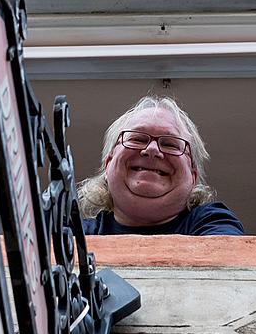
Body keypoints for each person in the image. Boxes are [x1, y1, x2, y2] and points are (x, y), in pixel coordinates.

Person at [78, 95, 244, 236]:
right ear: (108, 164)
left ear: (193, 177)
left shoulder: (213, 223)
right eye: (137, 139)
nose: (151, 150)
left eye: (170, 144)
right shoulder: (73, 235)